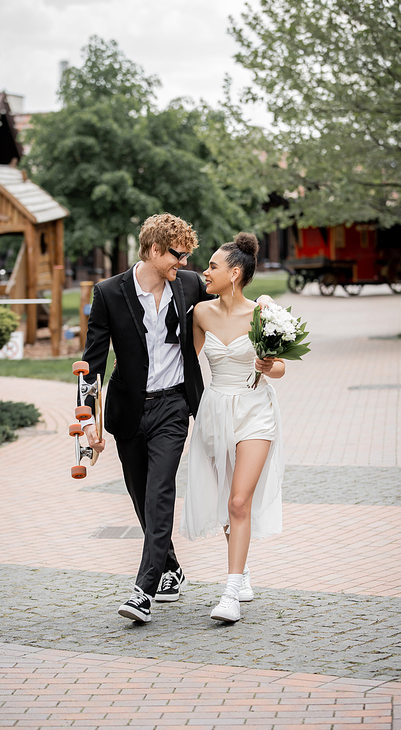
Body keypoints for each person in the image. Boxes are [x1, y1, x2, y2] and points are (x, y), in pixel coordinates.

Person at [80, 213, 209, 623]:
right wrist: (87, 423)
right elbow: (93, 364)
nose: (184, 263)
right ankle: (171, 567)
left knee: (160, 492)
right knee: (141, 498)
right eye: (177, 254)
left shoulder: (188, 286)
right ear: (154, 250)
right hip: (130, 409)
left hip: (174, 405)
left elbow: (228, 309)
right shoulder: (109, 293)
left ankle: (143, 590)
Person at [180, 232, 285, 623]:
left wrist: (267, 365)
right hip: (215, 409)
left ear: (235, 273)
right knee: (227, 498)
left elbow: (281, 366)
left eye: (212, 266)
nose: (205, 272)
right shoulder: (200, 314)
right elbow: (187, 365)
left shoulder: (262, 313)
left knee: (239, 500)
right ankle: (242, 573)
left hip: (255, 409)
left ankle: (230, 594)